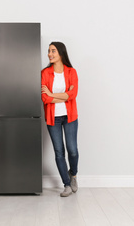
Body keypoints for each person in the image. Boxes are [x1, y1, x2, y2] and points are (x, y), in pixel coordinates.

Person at [41, 42, 79, 197]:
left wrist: (52, 94)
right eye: (49, 51)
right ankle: (66, 184)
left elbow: (73, 95)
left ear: (61, 53)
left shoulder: (71, 72)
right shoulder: (45, 73)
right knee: (59, 152)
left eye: (53, 51)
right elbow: (44, 99)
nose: (50, 54)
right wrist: (61, 95)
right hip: (53, 118)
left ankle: (73, 174)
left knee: (73, 150)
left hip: (70, 116)